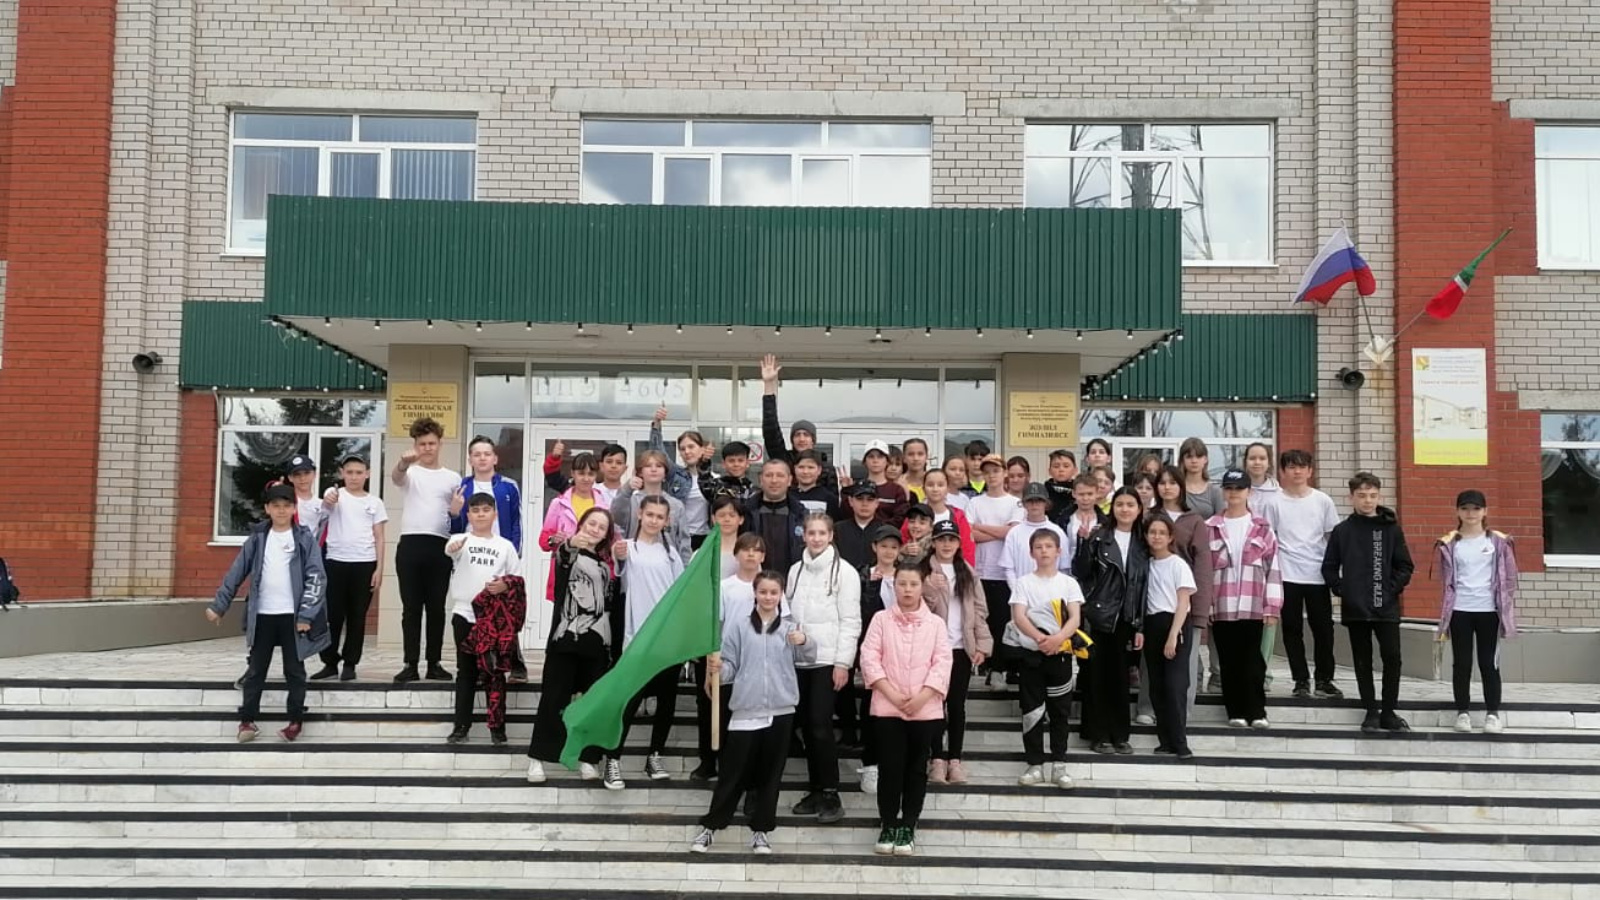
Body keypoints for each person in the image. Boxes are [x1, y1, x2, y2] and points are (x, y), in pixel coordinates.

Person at [691, 571, 816, 856]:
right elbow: (730, 667)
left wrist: (804, 641)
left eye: (774, 592)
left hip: (781, 710)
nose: (768, 597)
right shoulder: (739, 626)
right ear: (755, 594)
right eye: (763, 592)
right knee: (732, 772)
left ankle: (761, 831)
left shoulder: (790, 628)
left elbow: (808, 657)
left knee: (770, 775)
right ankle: (711, 826)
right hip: (746, 710)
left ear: (781, 595)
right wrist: (718, 669)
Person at [206, 483, 327, 743]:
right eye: (276, 506)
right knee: (255, 670)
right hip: (262, 616)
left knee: (294, 671)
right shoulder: (258, 538)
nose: (281, 511)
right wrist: (219, 605)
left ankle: (295, 721)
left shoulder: (304, 539)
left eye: (286, 506)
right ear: (267, 509)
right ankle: (247, 721)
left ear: (294, 508)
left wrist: (306, 615)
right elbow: (236, 572)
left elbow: (317, 577)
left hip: (293, 618)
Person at [859, 562, 952, 858]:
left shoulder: (936, 624)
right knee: (890, 769)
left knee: (916, 770)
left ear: (922, 586)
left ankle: (908, 825)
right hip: (888, 708)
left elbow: (943, 662)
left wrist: (922, 696)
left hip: (924, 709)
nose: (908, 590)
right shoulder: (880, 620)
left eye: (913, 584)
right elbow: (869, 657)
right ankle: (888, 824)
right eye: (902, 584)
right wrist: (892, 694)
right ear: (894, 586)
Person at [526, 508, 615, 785]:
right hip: (564, 642)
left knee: (591, 704)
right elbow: (563, 551)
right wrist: (570, 542)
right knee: (553, 700)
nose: (595, 529)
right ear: (581, 524)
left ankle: (588, 759)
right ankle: (538, 758)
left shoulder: (605, 566)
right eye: (591, 523)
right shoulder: (568, 554)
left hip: (596, 645)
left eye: (601, 527)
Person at [1323, 471, 1415, 734]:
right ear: (1351, 497)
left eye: (1372, 495)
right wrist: (1344, 590)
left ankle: (1389, 711)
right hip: (1356, 609)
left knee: (1392, 658)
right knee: (1362, 660)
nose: (1367, 500)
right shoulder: (1342, 531)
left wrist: (1389, 590)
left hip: (1386, 607)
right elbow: (1329, 567)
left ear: (1379, 497)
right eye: (1362, 495)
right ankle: (1371, 711)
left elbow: (1405, 566)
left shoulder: (1391, 529)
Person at [786, 512, 861, 825]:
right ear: (804, 535)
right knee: (805, 725)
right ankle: (815, 789)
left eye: (822, 533)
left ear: (831, 536)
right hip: (798, 660)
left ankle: (831, 792)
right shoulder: (795, 570)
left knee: (820, 725)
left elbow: (851, 621)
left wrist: (843, 662)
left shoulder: (845, 572)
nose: (816, 538)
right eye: (811, 533)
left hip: (828, 660)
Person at [607, 495, 687, 785]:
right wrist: (618, 555)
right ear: (640, 514)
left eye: (659, 516)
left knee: (666, 701)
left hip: (666, 640)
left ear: (667, 521)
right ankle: (613, 759)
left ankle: (655, 755)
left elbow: (680, 594)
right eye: (650, 514)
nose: (654, 520)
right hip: (637, 636)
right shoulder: (627, 548)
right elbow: (619, 573)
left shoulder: (672, 554)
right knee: (629, 700)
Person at [1002, 528, 1082, 789]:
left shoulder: (1068, 583)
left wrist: (1058, 639)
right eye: (1039, 547)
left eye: (1049, 546)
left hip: (1060, 656)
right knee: (1032, 711)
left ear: (1059, 551)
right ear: (1031, 552)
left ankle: (1059, 764)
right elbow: (1019, 616)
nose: (1044, 551)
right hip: (1031, 656)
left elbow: (1075, 618)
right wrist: (1040, 638)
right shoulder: (1024, 583)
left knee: (1060, 712)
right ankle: (1034, 764)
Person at [1436, 489, 1519, 735]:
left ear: (1485, 511)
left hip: (1489, 611)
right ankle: (1462, 713)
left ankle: (1492, 714)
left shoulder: (1498, 542)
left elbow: (1510, 576)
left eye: (1476, 508)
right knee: (1461, 663)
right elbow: (1445, 579)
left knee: (1488, 663)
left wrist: (1504, 605)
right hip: (1460, 610)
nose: (1470, 513)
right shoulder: (1449, 543)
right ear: (1457, 511)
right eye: (1465, 508)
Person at [1205, 468, 1283, 730]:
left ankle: (1257, 711)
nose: (1234, 493)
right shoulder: (1210, 528)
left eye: (1239, 488)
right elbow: (1205, 571)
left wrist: (1272, 606)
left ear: (1249, 491)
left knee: (1253, 661)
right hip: (1222, 605)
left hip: (1254, 605)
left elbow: (1274, 569)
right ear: (1223, 492)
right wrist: (1207, 606)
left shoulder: (1262, 528)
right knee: (1228, 662)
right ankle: (1235, 711)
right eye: (1229, 488)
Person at [1263, 449, 1344, 701]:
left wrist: (1336, 571)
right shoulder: (1273, 502)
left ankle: (1324, 680)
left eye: (1302, 466)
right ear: (1282, 471)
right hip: (1287, 574)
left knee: (1324, 629)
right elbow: (1269, 539)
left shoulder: (1322, 501)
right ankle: (1300, 680)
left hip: (1317, 575)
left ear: (1310, 471)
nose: (1297, 471)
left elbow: (1332, 537)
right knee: (1291, 629)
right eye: (1291, 466)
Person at [1073, 487, 1148, 755]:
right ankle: (1098, 734)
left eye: (1130, 504)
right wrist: (1082, 543)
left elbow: (1144, 587)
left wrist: (1139, 625)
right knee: (1096, 678)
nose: (1125, 509)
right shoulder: (1099, 537)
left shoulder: (1144, 541)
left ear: (1139, 509)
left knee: (1120, 679)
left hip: (1127, 619)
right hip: (1099, 616)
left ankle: (1120, 735)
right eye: (1120, 504)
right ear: (1112, 508)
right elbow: (1081, 572)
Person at [443, 493, 522, 746]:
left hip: (493, 619)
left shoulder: (505, 546)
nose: (480, 514)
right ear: (468, 515)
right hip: (464, 615)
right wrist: (454, 548)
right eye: (475, 510)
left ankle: (497, 728)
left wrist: (505, 585)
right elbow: (450, 550)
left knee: (494, 673)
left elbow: (517, 580)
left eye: (486, 510)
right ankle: (461, 726)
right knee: (466, 672)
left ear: (494, 514)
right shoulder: (460, 540)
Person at [691, 532, 770, 783]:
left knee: (750, 721)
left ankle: (747, 773)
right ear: (736, 555)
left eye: (756, 550)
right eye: (746, 549)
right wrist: (709, 669)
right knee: (720, 715)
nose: (751, 554)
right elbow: (715, 627)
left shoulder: (769, 587)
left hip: (757, 664)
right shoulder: (725, 587)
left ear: (763, 556)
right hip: (726, 661)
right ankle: (715, 765)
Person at [391, 417, 460, 684]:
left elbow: (457, 514)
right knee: (411, 608)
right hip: (410, 544)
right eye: (422, 444)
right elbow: (396, 477)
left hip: (439, 546)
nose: (427, 448)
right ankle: (410, 663)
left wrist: (456, 513)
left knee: (436, 608)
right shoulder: (410, 472)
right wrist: (403, 462)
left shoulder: (452, 478)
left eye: (432, 443)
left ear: (440, 444)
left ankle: (434, 663)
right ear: (415, 445)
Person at [924, 519, 992, 785]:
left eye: (951, 539)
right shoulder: (923, 570)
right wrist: (932, 589)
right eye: (942, 539)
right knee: (934, 705)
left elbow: (979, 610)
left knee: (956, 705)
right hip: (932, 649)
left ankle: (955, 759)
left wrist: (982, 645)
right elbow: (914, 607)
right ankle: (936, 759)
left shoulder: (967, 572)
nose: (946, 544)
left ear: (958, 543)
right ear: (933, 542)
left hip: (961, 647)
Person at [451, 435, 525, 681]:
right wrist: (454, 513)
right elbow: (456, 528)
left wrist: (513, 555)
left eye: (487, 454)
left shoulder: (508, 486)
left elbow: (516, 522)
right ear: (470, 459)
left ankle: (514, 661)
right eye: (477, 454)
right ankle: (478, 665)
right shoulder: (462, 487)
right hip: (473, 560)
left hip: (500, 559)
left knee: (505, 613)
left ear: (495, 458)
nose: (482, 458)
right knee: (475, 613)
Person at [1143, 466, 1215, 719]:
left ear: (1181, 487)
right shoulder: (1149, 516)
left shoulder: (1194, 520)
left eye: (1173, 483)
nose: (1167, 487)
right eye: (1162, 483)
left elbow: (1203, 565)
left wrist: (1201, 609)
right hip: (1153, 602)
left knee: (1185, 662)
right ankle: (1148, 708)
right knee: (1150, 662)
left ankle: (1182, 712)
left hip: (1184, 602)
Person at [313, 455, 386, 681]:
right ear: (342, 473)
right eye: (350, 472)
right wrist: (329, 498)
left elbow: (380, 537)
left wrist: (379, 569)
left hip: (365, 564)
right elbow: (327, 503)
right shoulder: (335, 495)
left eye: (359, 472)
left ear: (368, 474)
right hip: (335, 562)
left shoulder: (375, 502)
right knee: (333, 616)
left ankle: (350, 663)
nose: (354, 477)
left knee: (357, 616)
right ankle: (329, 662)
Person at [854, 523, 904, 792]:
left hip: (902, 651)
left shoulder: (906, 576)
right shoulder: (862, 575)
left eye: (893, 547)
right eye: (884, 546)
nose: (888, 551)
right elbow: (860, 613)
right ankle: (870, 764)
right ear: (874, 547)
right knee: (870, 708)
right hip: (872, 650)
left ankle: (894, 763)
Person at [1141, 514, 1195, 759]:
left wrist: (1173, 635)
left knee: (1175, 685)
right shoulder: (1146, 565)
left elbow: (1183, 601)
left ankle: (1180, 742)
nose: (1157, 537)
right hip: (1152, 625)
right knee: (1157, 686)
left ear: (1171, 537)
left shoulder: (1178, 564)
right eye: (1152, 532)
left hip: (1175, 624)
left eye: (1162, 533)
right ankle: (1165, 741)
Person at [965, 455, 1023, 675]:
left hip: (1003, 572)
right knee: (980, 620)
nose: (991, 476)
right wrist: (999, 531)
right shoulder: (975, 502)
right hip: (980, 572)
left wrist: (981, 527)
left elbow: (1012, 532)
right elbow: (970, 534)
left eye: (996, 471)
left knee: (1001, 621)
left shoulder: (1015, 503)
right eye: (987, 472)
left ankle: (999, 669)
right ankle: (981, 665)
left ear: (1005, 473)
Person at [760, 353, 840, 496]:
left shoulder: (826, 468)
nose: (801, 439)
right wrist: (769, 385)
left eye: (806, 435)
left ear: (813, 440)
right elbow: (770, 429)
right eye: (797, 435)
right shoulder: (784, 460)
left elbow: (831, 501)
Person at [538, 452, 602, 604]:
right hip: (565, 571)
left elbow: (609, 540)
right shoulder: (558, 504)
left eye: (590, 474)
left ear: (596, 475)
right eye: (581, 473)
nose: (586, 478)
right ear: (573, 473)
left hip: (593, 573)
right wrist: (553, 539)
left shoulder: (604, 504)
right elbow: (544, 541)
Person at [611, 450, 692, 560]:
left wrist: (685, 567)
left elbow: (684, 541)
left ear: (665, 473)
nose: (653, 469)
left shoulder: (676, 505)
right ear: (640, 472)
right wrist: (627, 488)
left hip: (668, 563)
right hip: (636, 561)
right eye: (648, 466)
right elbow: (616, 517)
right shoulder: (631, 500)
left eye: (659, 466)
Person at [649, 408, 713, 545]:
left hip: (705, 538)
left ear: (702, 449)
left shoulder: (713, 479)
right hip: (678, 536)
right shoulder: (676, 474)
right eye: (682, 449)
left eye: (691, 447)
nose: (687, 452)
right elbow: (657, 452)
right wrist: (657, 424)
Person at [742, 458, 809, 576]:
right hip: (753, 580)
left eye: (780, 475)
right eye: (769, 475)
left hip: (792, 581)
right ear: (760, 479)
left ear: (789, 480)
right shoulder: (745, 513)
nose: (774, 480)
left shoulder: (802, 515)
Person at [1001, 483, 1069, 590]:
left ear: (1046, 503)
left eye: (1039, 500)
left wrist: (1056, 591)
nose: (1034, 504)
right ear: (1023, 504)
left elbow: (1064, 568)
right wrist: (1017, 591)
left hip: (1052, 592)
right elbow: (1009, 568)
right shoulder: (1014, 533)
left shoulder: (1058, 532)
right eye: (1030, 500)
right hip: (1022, 592)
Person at [910, 469, 976, 564]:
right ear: (923, 489)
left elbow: (967, 548)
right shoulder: (914, 513)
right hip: (918, 569)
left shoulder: (958, 516)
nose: (935, 489)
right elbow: (903, 541)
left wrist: (965, 571)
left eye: (940, 485)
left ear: (947, 488)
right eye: (930, 485)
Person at [545, 441, 626, 503]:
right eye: (609, 461)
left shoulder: (629, 495)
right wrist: (554, 458)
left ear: (625, 468)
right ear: (601, 466)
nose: (613, 466)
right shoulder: (585, 488)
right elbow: (554, 479)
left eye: (619, 463)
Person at [861, 440, 910, 526]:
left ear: (887, 461)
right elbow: (847, 515)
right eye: (871, 456)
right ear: (865, 461)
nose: (875, 460)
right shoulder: (858, 488)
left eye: (880, 457)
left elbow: (900, 518)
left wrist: (879, 528)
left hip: (888, 533)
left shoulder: (897, 490)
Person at [1060, 473, 1105, 566]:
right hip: (1068, 569)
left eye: (1090, 494)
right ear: (1074, 493)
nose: (1085, 498)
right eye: (1081, 494)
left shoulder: (1104, 522)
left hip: (1095, 571)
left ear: (1097, 493)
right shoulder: (1064, 520)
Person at [834, 482, 881, 571]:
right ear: (851, 501)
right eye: (860, 499)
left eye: (870, 499)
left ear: (877, 503)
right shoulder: (837, 529)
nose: (864, 504)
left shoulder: (884, 531)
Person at [1178, 438, 1224, 519]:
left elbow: (1221, 521)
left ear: (1205, 459)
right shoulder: (1176, 489)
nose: (1194, 461)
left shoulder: (1215, 491)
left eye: (1198, 456)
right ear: (1182, 460)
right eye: (1189, 457)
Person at [284, 454, 327, 539]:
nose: (302, 478)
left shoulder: (322, 504)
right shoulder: (285, 502)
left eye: (307, 473)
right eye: (297, 474)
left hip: (311, 546)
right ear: (290, 478)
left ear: (314, 474)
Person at [792, 449, 841, 520]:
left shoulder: (829, 498)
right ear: (795, 469)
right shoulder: (787, 496)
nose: (805, 472)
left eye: (810, 467)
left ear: (819, 470)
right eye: (801, 467)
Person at [710, 494, 746, 579]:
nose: (727, 519)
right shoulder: (703, 553)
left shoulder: (749, 552)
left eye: (732, 515)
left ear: (741, 519)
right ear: (713, 519)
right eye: (721, 515)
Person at [1042, 449, 1079, 523]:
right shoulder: (1042, 492)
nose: (1061, 469)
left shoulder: (1080, 492)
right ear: (1049, 471)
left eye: (1066, 466)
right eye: (1056, 466)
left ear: (1075, 470)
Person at [1243, 442, 1281, 514]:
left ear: (1269, 463)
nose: (1257, 462)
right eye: (1252, 458)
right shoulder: (1236, 491)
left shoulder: (1278, 493)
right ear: (1245, 462)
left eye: (1262, 458)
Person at [898, 504, 935, 568]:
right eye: (912, 522)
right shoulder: (905, 545)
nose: (916, 526)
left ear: (931, 527)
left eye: (922, 523)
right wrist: (901, 551)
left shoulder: (934, 546)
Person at [900, 437, 931, 502]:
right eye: (911, 454)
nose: (916, 458)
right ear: (904, 458)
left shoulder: (935, 483)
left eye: (920, 454)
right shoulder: (898, 484)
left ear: (927, 457)